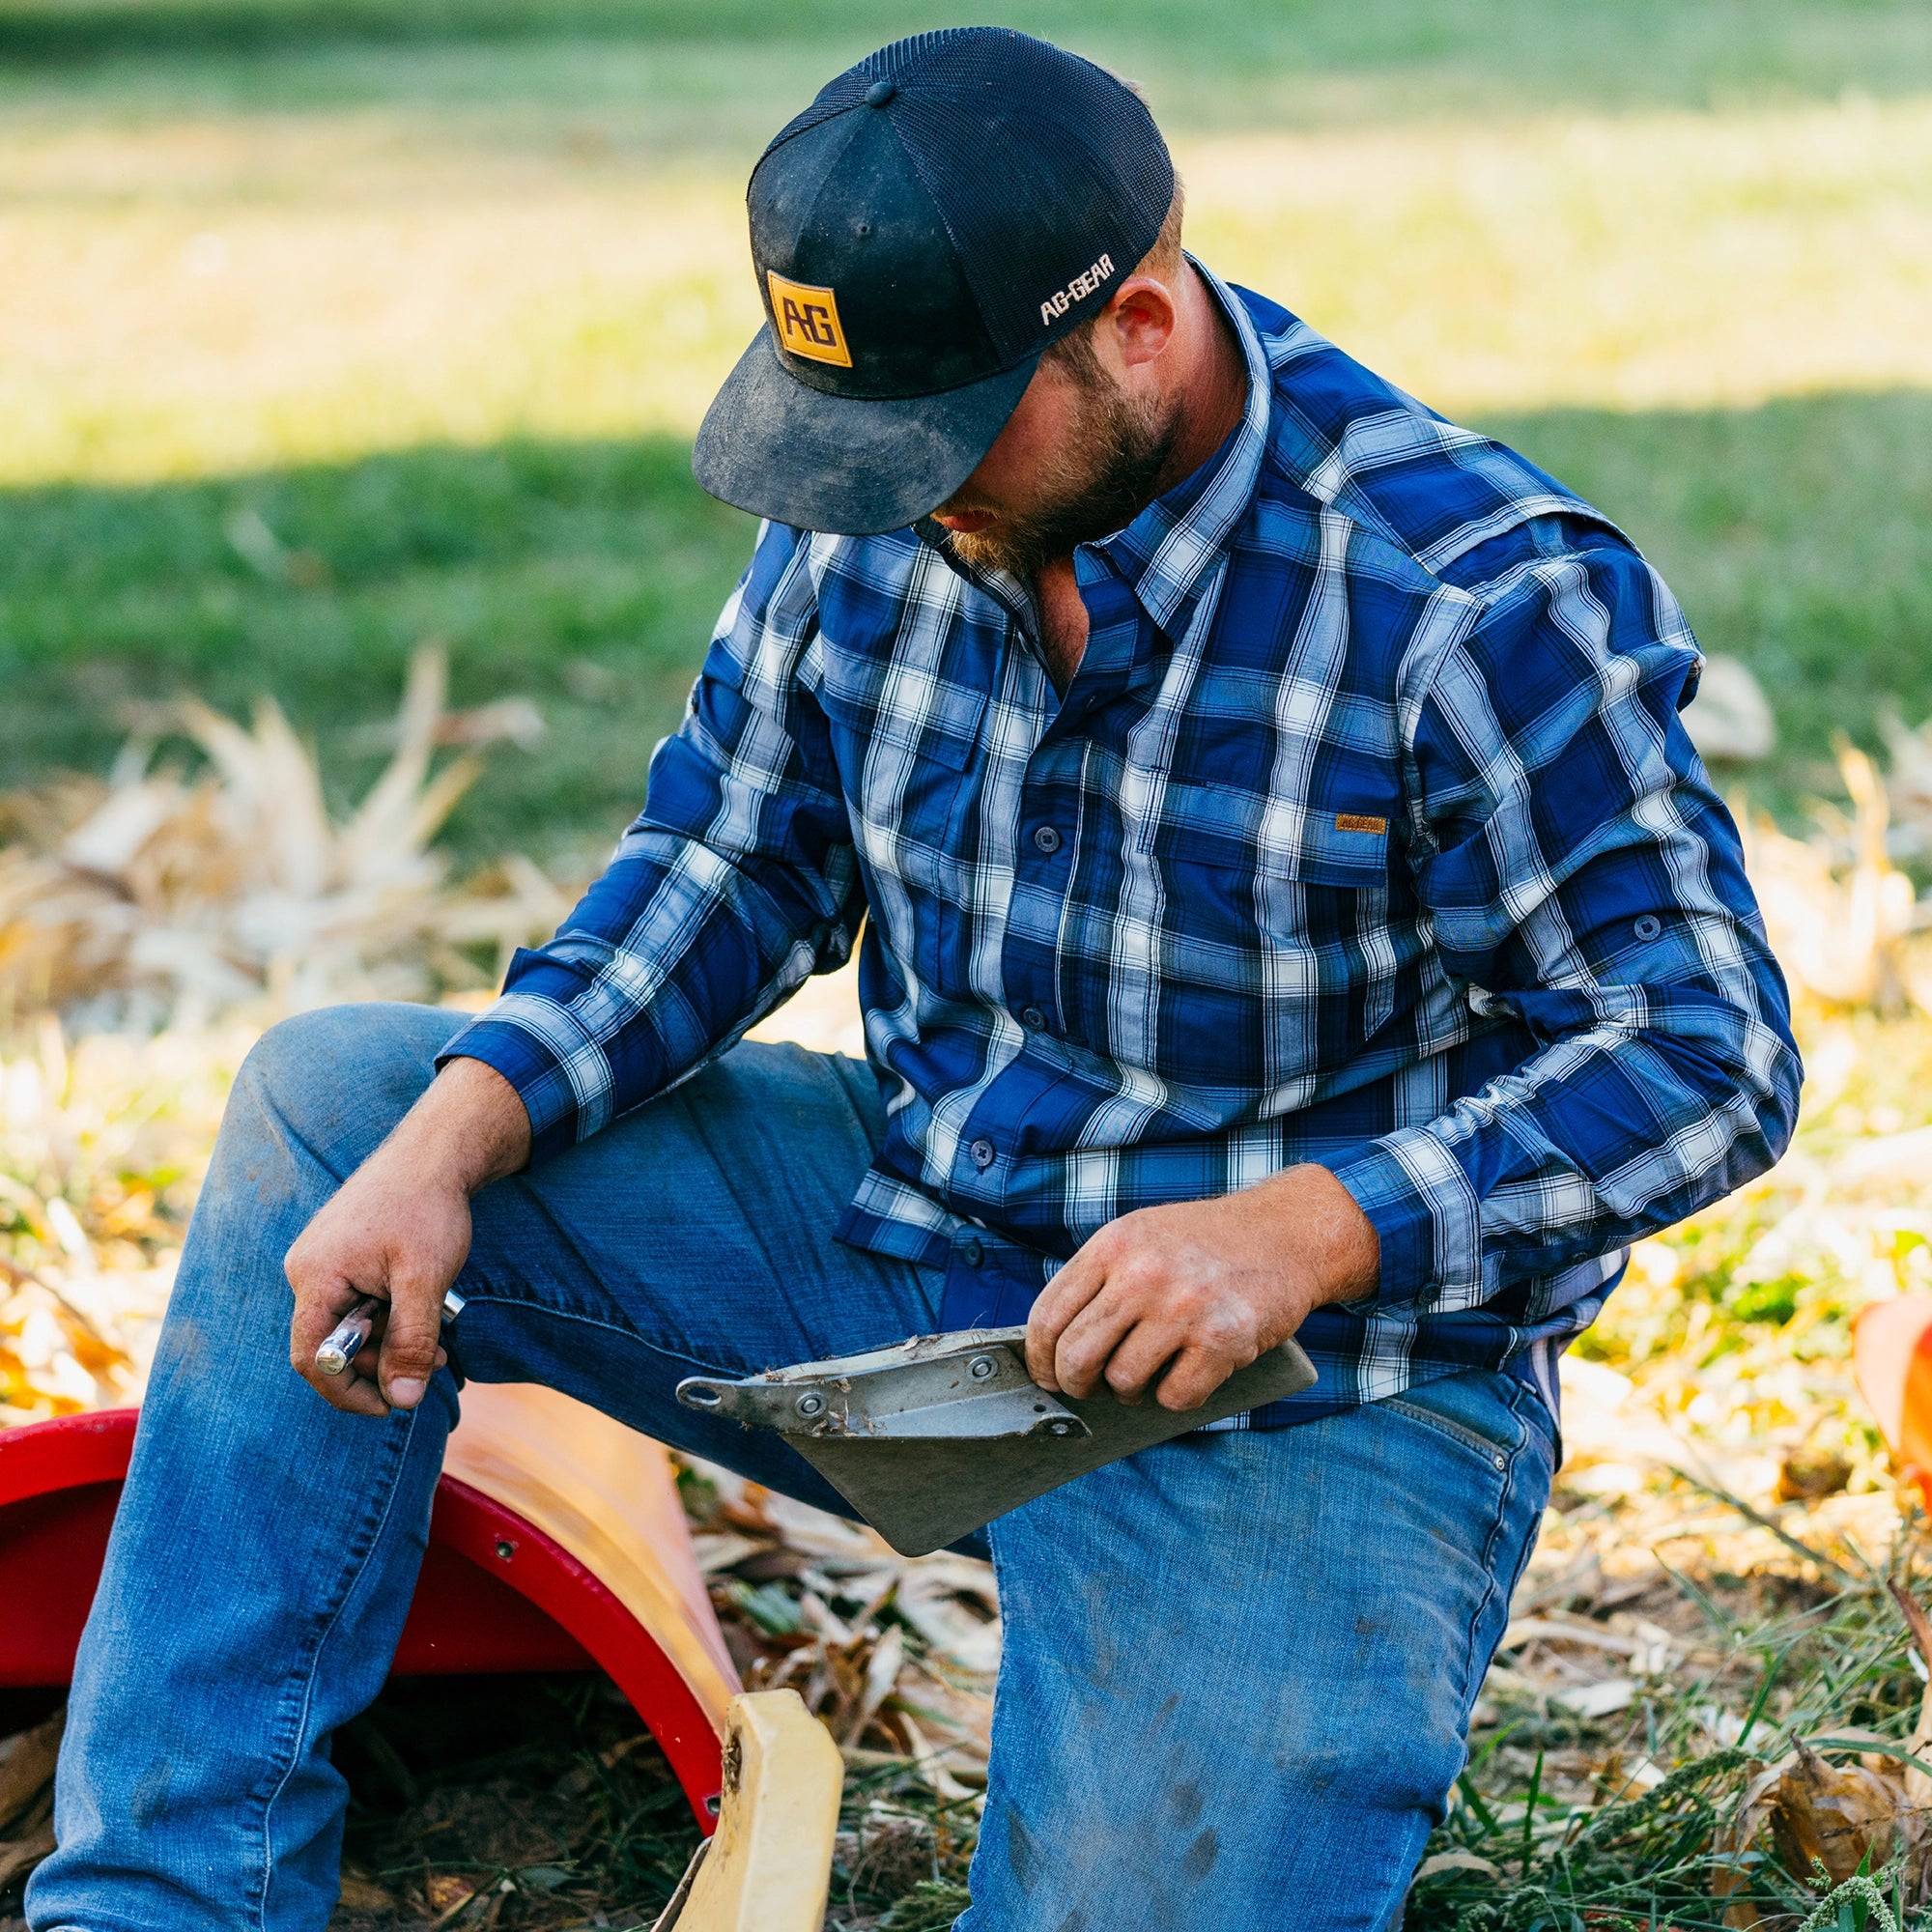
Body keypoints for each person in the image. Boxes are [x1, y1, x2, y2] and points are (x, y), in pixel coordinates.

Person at [30, 27, 1801, 1932]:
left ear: (1134, 323)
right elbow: (726, 865)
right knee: (342, 1110)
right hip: (917, 1242)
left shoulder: (1468, 599)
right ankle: (163, 1903)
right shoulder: (889, 507)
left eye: (948, 440)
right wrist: (457, 1131)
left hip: (1302, 1389)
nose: (902, 497)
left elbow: (1705, 1051)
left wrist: (1296, 1231)